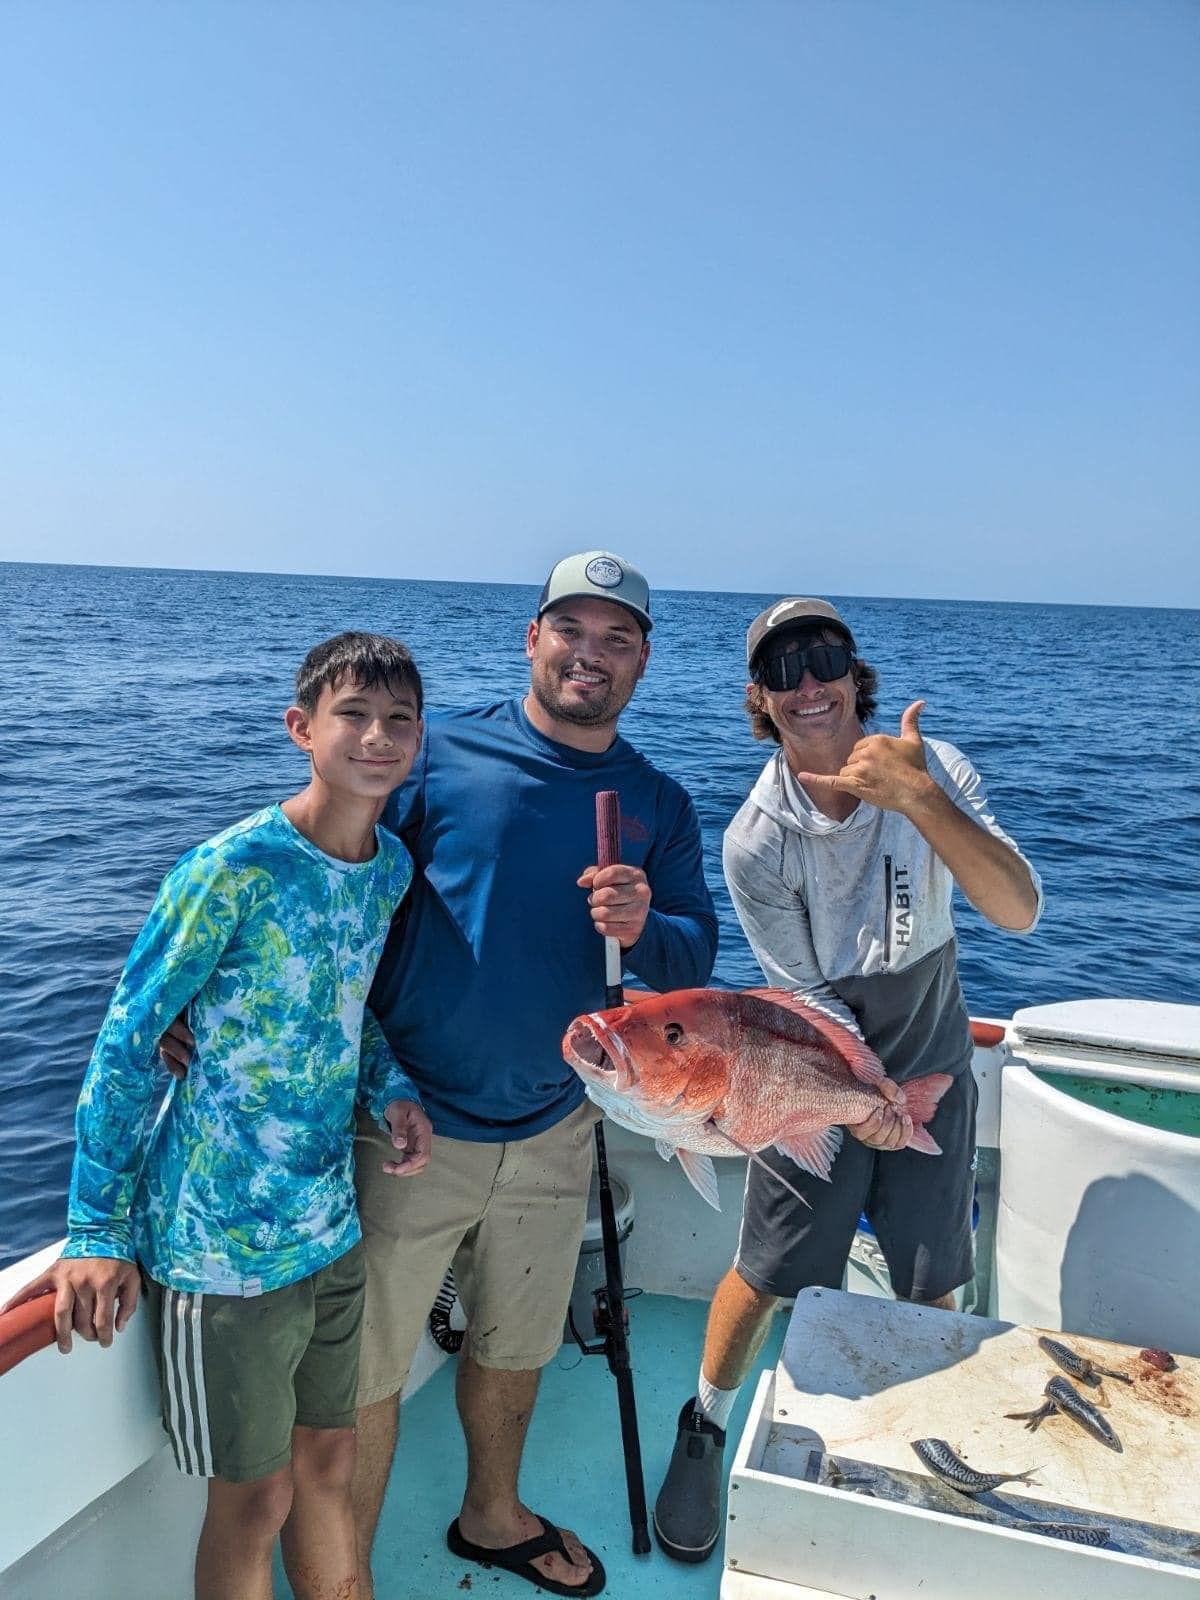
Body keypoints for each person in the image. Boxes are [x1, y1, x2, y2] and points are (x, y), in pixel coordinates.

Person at [160, 551, 718, 1597]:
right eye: (571, 630)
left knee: (517, 1343)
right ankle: (351, 1574)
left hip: (558, 1123)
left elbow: (694, 957)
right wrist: (197, 999)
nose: (589, 654)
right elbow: (319, 874)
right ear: (533, 638)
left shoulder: (659, 801)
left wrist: (646, 926)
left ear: (643, 660)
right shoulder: (435, 753)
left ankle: (490, 1514)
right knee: (362, 1374)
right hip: (404, 1122)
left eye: (616, 638)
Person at [3, 632, 435, 1600]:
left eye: (399, 719)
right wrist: (95, 1227)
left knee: (331, 1462)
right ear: (301, 728)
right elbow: (127, 1039)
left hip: (328, 1225)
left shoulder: (390, 869)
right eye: (353, 715)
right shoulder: (230, 868)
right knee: (255, 1499)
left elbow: (342, 1007)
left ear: (419, 738)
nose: (377, 735)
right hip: (219, 1248)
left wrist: (391, 1090)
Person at [653, 596, 1042, 1565]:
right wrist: (863, 1099)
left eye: (824, 658)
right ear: (761, 698)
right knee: (767, 1271)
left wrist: (920, 801)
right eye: (782, 672)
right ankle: (705, 1422)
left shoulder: (933, 768)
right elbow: (801, 993)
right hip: (811, 1061)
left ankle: (929, 1440)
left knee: (933, 1274)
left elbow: (1017, 911)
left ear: (855, 673)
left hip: (932, 1042)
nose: (808, 685)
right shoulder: (756, 837)